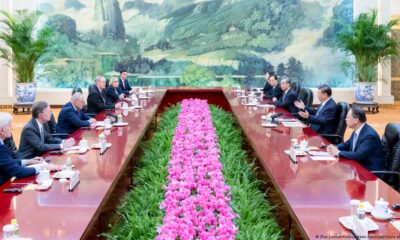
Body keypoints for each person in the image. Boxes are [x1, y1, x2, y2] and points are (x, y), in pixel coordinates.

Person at [0, 112, 58, 185]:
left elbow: (7, 162)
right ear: (2, 130)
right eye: (10, 126)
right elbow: (18, 172)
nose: (12, 128)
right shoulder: (1, 148)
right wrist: (44, 168)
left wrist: (28, 161)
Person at [327, 106, 385, 172]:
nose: (345, 119)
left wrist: (338, 152)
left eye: (348, 117)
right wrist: (334, 147)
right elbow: (347, 144)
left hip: (370, 172)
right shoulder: (358, 130)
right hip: (358, 166)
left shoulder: (369, 136)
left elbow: (358, 155)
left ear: (356, 120)